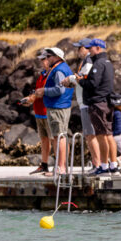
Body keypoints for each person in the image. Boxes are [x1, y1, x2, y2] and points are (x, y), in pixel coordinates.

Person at [77, 38, 119, 175]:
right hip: (106, 103)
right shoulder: (108, 63)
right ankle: (113, 165)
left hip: (98, 104)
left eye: (91, 48)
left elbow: (92, 84)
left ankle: (105, 166)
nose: (89, 50)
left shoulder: (99, 64)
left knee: (102, 135)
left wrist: (80, 81)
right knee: (109, 135)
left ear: (98, 49)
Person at [34, 47, 73, 177]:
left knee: (59, 137)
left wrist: (44, 91)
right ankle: (60, 167)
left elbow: (60, 90)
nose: (47, 58)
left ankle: (60, 168)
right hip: (59, 107)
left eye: (49, 56)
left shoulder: (59, 70)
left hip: (58, 107)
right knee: (58, 137)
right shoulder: (60, 69)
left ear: (56, 57)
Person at [65, 38, 101, 172]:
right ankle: (97, 163)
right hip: (84, 103)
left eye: (79, 48)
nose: (77, 51)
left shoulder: (89, 61)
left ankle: (98, 164)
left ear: (86, 48)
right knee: (90, 135)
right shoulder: (86, 60)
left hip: (87, 103)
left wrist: (69, 79)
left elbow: (82, 77)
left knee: (91, 135)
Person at [24, 52, 54, 174]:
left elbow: (48, 92)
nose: (42, 62)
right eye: (41, 60)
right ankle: (44, 164)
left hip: (48, 112)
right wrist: (30, 99)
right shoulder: (42, 74)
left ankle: (60, 166)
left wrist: (34, 97)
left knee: (55, 139)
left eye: (44, 59)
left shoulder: (53, 74)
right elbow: (37, 92)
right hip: (39, 112)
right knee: (44, 140)